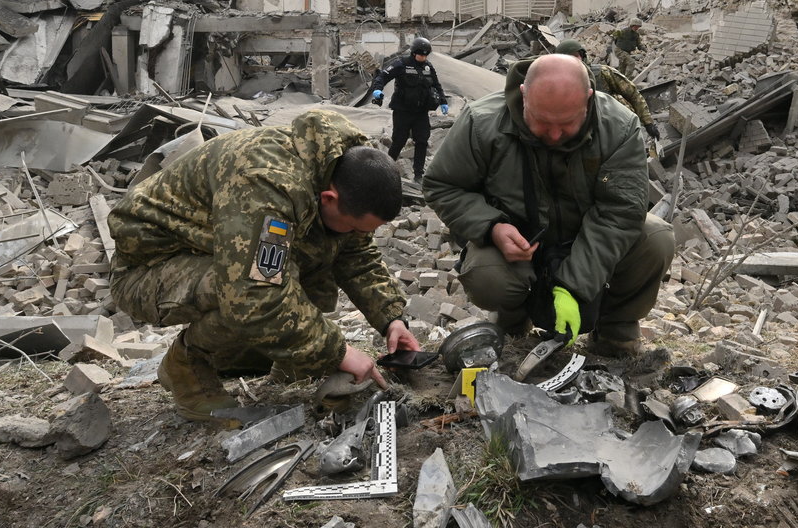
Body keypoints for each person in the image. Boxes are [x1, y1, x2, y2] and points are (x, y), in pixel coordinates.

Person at [108, 109, 421, 423]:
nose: (357, 236)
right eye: (355, 227)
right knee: (247, 291)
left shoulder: (339, 164)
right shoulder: (266, 186)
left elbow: (356, 253)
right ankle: (187, 364)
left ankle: (271, 357)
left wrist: (391, 319)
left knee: (315, 253)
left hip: (208, 248)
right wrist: (336, 351)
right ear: (328, 198)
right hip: (148, 267)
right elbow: (253, 296)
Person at [423, 55, 674, 358]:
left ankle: (615, 331)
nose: (554, 136)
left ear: (588, 99)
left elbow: (620, 212)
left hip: (584, 241)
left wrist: (573, 286)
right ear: (524, 95)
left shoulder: (619, 128)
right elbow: (442, 185)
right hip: (517, 244)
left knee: (656, 239)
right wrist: (492, 227)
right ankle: (512, 320)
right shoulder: (482, 122)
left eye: (567, 124)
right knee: (487, 276)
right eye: (542, 122)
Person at [371, 37, 449, 182]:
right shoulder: (402, 64)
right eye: (421, 54)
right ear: (414, 53)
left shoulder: (428, 67)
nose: (423, 57)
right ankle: (386, 172)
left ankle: (418, 175)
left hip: (421, 112)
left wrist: (443, 102)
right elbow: (382, 76)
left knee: (422, 141)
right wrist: (377, 90)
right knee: (399, 141)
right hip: (402, 111)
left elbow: (437, 86)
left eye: (426, 55)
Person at [555, 39, 660, 141]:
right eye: (567, 58)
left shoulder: (603, 73)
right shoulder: (555, 83)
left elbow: (633, 94)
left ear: (582, 56)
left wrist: (648, 123)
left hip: (612, 129)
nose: (572, 61)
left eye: (575, 56)